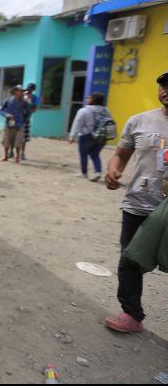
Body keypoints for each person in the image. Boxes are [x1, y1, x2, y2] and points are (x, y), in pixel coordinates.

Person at [103, 71, 168, 334]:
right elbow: (120, 155)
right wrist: (113, 170)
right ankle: (132, 314)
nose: (166, 89)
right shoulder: (139, 121)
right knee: (129, 259)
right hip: (138, 204)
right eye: (163, 84)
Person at [68, 93, 110, 182]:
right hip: (101, 136)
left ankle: (84, 173)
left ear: (93, 100)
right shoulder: (106, 110)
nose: (87, 99)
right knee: (95, 154)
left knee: (84, 155)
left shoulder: (84, 111)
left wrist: (72, 136)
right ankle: (98, 172)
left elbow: (77, 124)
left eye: (89, 97)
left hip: (86, 135)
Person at [0, 85, 28, 164]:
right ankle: (6, 156)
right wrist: (6, 115)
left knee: (18, 141)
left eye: (22, 91)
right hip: (9, 124)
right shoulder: (8, 100)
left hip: (19, 124)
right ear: (15, 91)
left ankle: (17, 157)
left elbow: (28, 113)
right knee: (6, 140)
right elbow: (1, 110)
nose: (22, 92)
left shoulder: (24, 102)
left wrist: (23, 121)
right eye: (20, 91)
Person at [21, 83, 40, 160]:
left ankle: (22, 153)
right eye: (28, 89)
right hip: (18, 118)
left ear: (33, 90)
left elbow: (34, 109)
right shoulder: (22, 96)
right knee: (14, 135)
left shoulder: (35, 98)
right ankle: (11, 151)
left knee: (24, 137)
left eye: (31, 89)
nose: (29, 91)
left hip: (26, 119)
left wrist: (28, 111)